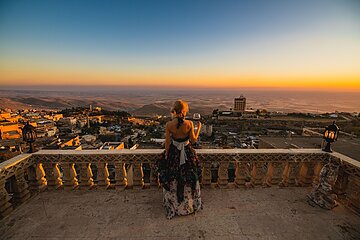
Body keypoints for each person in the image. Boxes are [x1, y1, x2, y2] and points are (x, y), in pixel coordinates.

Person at [158, 99, 202, 219]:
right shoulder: (189, 124)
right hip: (187, 153)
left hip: (174, 154)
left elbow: (167, 143)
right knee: (189, 178)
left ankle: (174, 203)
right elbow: (193, 141)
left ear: (174, 110)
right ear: (184, 111)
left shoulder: (169, 125)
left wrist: (167, 155)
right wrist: (199, 128)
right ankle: (188, 204)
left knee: (174, 178)